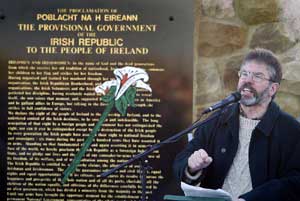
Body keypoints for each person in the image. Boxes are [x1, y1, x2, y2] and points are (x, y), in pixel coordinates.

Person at [173, 48, 300, 201]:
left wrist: (251, 199)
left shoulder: (291, 130)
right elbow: (181, 161)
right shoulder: (216, 120)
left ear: (272, 88)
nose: (247, 80)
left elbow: (295, 181)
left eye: (257, 76)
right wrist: (192, 166)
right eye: (244, 74)